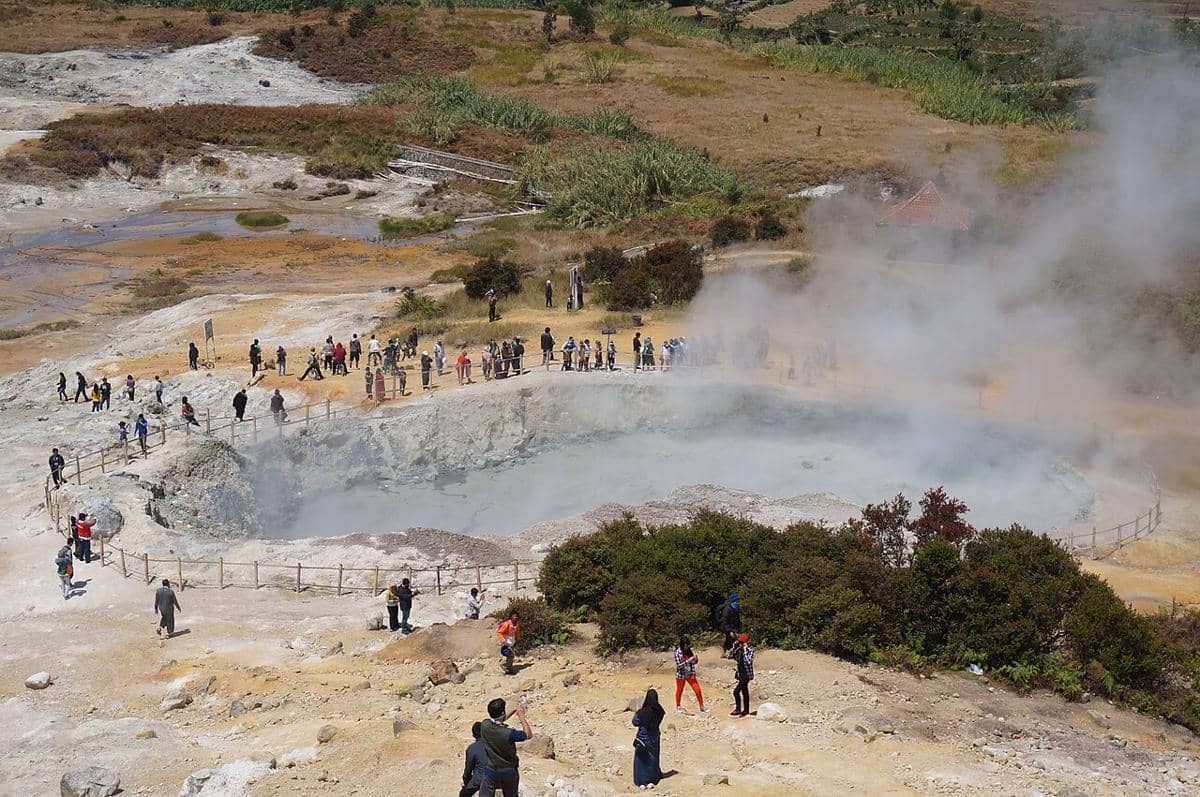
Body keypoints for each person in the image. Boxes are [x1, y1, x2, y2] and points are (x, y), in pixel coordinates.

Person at [479, 697, 532, 797]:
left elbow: (499, 720)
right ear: (502, 712)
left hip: (491, 770)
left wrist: (514, 710)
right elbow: (528, 735)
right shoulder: (509, 733)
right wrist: (521, 717)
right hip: (508, 770)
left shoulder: (485, 725)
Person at [632, 688, 665, 787]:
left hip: (643, 737)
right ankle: (653, 779)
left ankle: (642, 781)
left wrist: (636, 712)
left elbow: (635, 722)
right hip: (655, 736)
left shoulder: (642, 712)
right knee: (653, 758)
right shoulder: (660, 710)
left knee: (641, 759)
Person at [674, 636, 707, 713]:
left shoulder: (689, 651)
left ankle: (702, 706)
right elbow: (679, 665)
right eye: (685, 645)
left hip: (690, 673)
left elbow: (693, 663)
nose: (686, 647)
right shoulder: (677, 653)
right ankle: (678, 706)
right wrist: (688, 661)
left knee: (697, 690)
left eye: (687, 645)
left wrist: (695, 660)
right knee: (680, 690)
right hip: (681, 675)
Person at [730, 633, 755, 717]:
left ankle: (738, 709)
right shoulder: (738, 650)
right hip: (740, 674)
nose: (740, 644)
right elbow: (731, 656)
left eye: (742, 642)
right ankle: (746, 710)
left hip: (746, 674)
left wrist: (744, 650)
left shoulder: (750, 651)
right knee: (745, 692)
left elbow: (748, 662)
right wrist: (734, 647)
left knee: (736, 691)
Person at [460, 721, 487, 797]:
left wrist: (465, 781)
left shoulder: (472, 748)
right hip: (500, 778)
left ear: (473, 735)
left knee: (463, 794)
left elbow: (468, 770)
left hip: (481, 781)